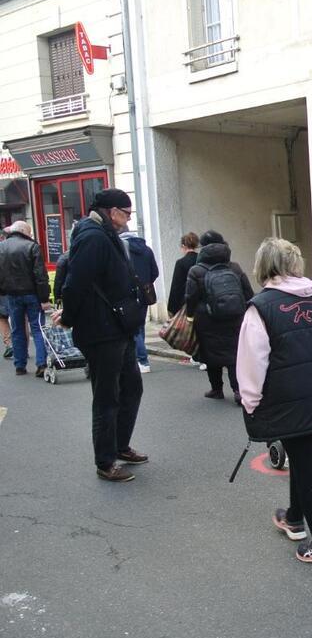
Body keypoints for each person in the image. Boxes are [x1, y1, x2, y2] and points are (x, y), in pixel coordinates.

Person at [236, 237, 312, 566]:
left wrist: (250, 401)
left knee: (303, 461)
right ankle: (294, 517)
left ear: (264, 266)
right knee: (301, 454)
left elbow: (252, 361)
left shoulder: (262, 307)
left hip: (287, 396)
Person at [59, 188, 148, 482]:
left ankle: (120, 445)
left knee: (132, 387)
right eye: (127, 213)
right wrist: (69, 318)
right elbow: (75, 284)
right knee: (107, 397)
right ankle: (105, 461)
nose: (128, 219)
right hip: (101, 331)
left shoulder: (102, 233)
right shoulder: (92, 237)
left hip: (116, 328)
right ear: (113, 212)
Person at [185, 230, 253, 404]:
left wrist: (190, 315)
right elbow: (248, 292)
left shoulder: (196, 270)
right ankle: (239, 391)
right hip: (235, 316)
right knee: (234, 354)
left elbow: (190, 297)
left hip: (207, 319)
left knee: (210, 354)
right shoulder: (234, 267)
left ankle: (217, 389)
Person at [0, 221, 51, 376]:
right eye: (29, 232)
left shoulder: (1, 247)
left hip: (11, 294)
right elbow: (40, 275)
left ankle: (20, 365)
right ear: (24, 231)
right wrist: (44, 298)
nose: (31, 235)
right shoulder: (32, 246)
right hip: (32, 294)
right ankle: (41, 364)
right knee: (38, 329)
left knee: (17, 330)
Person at [122, 232, 159, 373]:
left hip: (127, 293)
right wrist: (146, 283)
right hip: (144, 293)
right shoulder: (147, 249)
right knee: (140, 325)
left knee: (133, 328)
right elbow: (155, 272)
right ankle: (140, 358)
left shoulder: (121, 249)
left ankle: (142, 360)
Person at [167, 232, 199, 316]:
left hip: (185, 303)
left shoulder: (180, 263)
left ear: (183, 246)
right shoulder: (201, 260)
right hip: (200, 302)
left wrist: (171, 308)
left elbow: (176, 286)